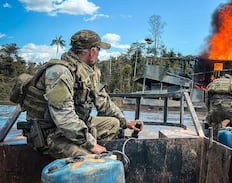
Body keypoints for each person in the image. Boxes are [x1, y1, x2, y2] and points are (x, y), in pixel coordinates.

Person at [23, 29, 143, 158]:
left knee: (113, 123)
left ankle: (93, 150)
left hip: (72, 128)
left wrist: (125, 122)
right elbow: (64, 118)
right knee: (96, 162)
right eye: (98, 50)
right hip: (51, 135)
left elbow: (103, 101)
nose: (98, 55)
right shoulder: (60, 73)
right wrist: (91, 145)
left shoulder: (87, 71)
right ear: (92, 51)